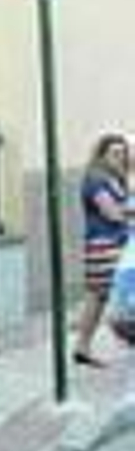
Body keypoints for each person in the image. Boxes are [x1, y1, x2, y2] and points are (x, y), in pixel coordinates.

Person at [72, 132, 129, 367]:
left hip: (115, 243)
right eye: (115, 153)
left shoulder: (115, 179)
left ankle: (82, 347)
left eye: (123, 153)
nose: (120, 157)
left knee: (98, 298)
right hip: (104, 245)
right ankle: (85, 345)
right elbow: (112, 213)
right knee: (103, 296)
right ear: (101, 155)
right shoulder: (95, 179)